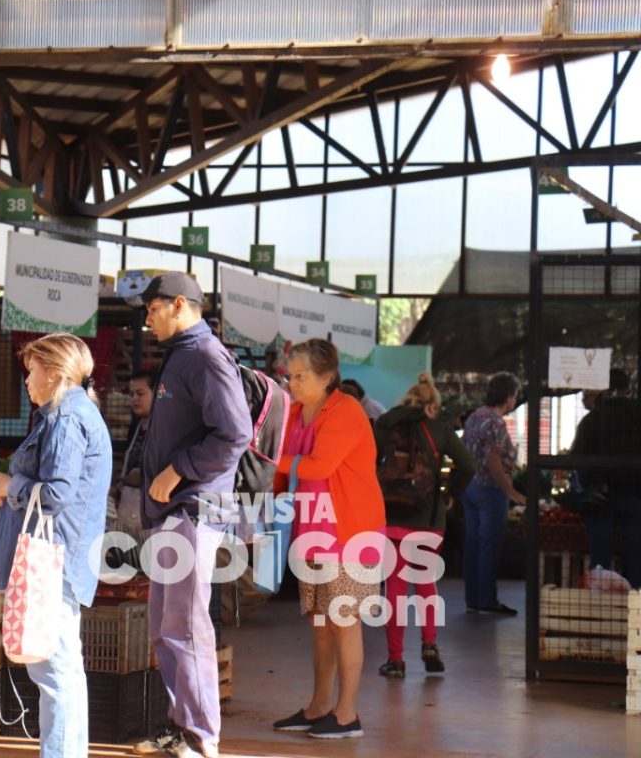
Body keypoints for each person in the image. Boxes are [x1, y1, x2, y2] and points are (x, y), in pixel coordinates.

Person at [130, 273, 252, 758]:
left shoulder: (204, 355)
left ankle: (201, 741)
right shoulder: (183, 355)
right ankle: (182, 729)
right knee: (166, 626)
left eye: (153, 309)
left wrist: (177, 471)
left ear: (179, 304)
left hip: (192, 509)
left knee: (185, 624)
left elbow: (234, 434)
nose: (147, 319)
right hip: (176, 511)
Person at [0, 333, 111, 758]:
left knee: (53, 672)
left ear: (54, 373)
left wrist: (8, 484)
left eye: (32, 370)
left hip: (49, 560)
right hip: (61, 558)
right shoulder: (73, 415)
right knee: (64, 671)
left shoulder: (65, 420)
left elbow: (56, 494)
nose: (27, 380)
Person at [271, 339, 385, 740]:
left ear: (327, 377)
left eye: (300, 376)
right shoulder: (299, 413)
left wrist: (265, 459)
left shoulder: (347, 412)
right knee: (320, 622)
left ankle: (347, 713)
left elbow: (317, 466)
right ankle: (320, 705)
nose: (292, 381)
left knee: (343, 621)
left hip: (350, 532)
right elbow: (286, 469)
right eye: (290, 374)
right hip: (314, 531)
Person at [373, 373, 476, 678]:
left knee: (395, 588)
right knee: (426, 584)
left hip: (391, 516)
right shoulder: (439, 428)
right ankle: (429, 644)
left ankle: (395, 660)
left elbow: (368, 461)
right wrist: (449, 494)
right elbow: (468, 465)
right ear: (432, 405)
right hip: (428, 518)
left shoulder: (386, 426)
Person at [460, 371, 526, 615]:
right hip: (490, 490)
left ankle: (473, 598)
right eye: (515, 396)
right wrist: (509, 490)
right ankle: (487, 599)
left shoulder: (475, 416)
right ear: (508, 397)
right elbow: (493, 458)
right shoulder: (496, 422)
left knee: (473, 544)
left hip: (469, 487)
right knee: (489, 545)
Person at [570, 368, 641, 588]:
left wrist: (590, 485)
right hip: (636, 498)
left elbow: (577, 459)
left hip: (600, 497)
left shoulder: (592, 420)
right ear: (628, 390)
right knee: (636, 558)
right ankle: (635, 614)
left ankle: (600, 612)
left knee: (600, 562)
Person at [107, 368, 158, 546]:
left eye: (140, 393)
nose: (134, 398)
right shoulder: (136, 427)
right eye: (131, 394)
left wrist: (133, 477)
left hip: (151, 515)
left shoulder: (164, 431)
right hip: (129, 510)